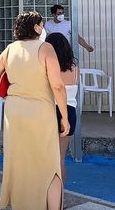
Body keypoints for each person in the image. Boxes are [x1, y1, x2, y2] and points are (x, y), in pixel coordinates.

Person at [0, 11, 69, 210]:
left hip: (14, 111)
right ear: (36, 27)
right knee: (50, 165)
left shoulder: (10, 49)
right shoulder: (46, 47)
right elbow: (57, 85)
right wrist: (64, 117)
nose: (43, 28)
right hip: (40, 110)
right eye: (41, 24)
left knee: (21, 163)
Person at [45, 32, 78, 183]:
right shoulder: (74, 67)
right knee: (60, 159)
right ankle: (59, 200)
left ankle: (45, 198)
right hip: (70, 111)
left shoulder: (49, 68)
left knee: (46, 159)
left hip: (51, 110)